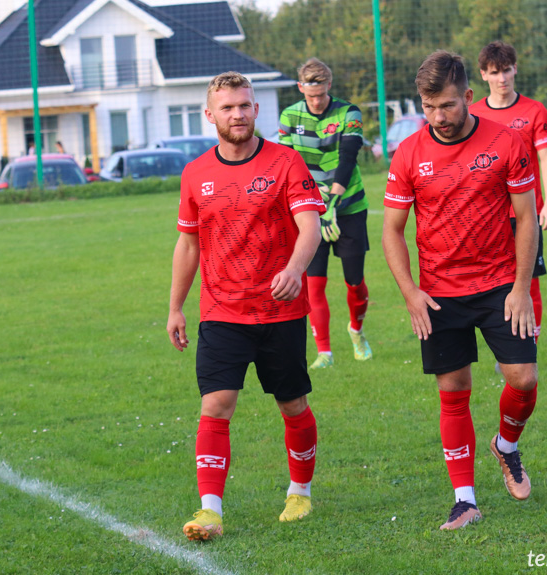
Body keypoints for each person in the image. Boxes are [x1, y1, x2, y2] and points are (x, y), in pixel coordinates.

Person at [382, 51, 540, 530]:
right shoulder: (408, 152)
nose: (438, 117)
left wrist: (520, 289)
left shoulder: (508, 141)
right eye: (429, 107)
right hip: (439, 292)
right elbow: (391, 230)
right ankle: (465, 500)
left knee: (523, 379)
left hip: (498, 284)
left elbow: (527, 217)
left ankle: (506, 446)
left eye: (448, 105)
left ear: (469, 96)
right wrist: (410, 292)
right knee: (453, 391)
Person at [167, 71, 325, 541]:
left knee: (292, 404)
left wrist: (296, 269)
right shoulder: (195, 173)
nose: (237, 114)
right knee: (215, 405)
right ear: (210, 115)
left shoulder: (286, 162)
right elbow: (188, 244)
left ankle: (300, 491)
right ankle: (210, 510)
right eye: (228, 107)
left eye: (245, 105)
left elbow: (310, 225)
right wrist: (176, 307)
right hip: (221, 312)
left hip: (280, 312)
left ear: (257, 109)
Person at [278, 58, 373, 369]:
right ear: (300, 88)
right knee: (314, 283)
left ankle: (356, 331)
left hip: (348, 206)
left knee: (354, 282)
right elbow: (290, 164)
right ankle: (325, 353)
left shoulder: (349, 112)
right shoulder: (290, 116)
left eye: (320, 94)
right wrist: (314, 209)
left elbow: (348, 158)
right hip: (311, 212)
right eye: (310, 95)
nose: (316, 101)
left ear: (329, 86)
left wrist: (332, 206)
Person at [470, 41, 547, 349]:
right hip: (485, 217)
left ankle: (527, 345)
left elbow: (546, 157)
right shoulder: (473, 114)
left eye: (506, 70)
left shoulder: (534, 111)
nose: (502, 79)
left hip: (526, 214)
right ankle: (501, 341)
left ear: (515, 69)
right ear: (483, 74)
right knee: (489, 282)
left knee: (529, 281)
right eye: (494, 72)